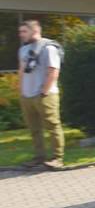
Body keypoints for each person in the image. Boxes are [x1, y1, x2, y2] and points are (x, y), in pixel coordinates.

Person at [17, 20, 65, 170]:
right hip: (27, 95)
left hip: (45, 95)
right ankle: (39, 158)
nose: (21, 35)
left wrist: (44, 91)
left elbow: (53, 71)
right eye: (20, 32)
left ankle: (57, 158)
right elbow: (21, 70)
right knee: (34, 129)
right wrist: (21, 90)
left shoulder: (49, 48)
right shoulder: (23, 50)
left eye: (24, 31)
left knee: (52, 126)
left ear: (34, 31)